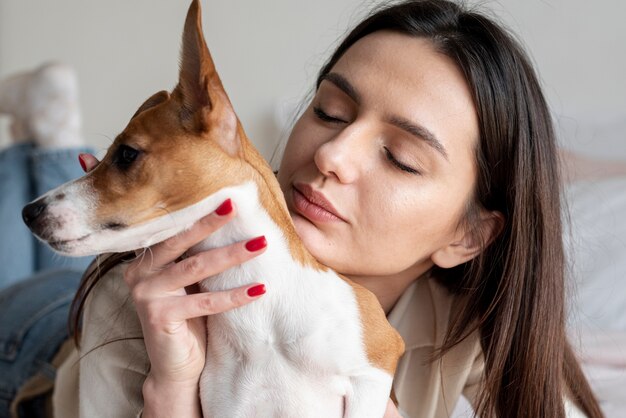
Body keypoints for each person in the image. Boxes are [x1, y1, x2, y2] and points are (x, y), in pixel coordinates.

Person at [0, 1, 613, 417]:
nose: (333, 155)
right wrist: (171, 384)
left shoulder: (479, 330)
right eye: (329, 112)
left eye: (399, 157)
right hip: (40, 337)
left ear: (470, 236)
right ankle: (51, 146)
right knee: (39, 233)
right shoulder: (140, 296)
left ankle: (54, 141)